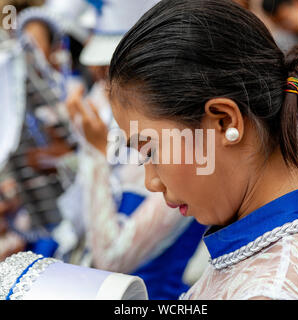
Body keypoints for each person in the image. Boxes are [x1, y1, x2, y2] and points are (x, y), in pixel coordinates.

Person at [107, 0, 298, 299]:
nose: (151, 180)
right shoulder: (275, 236)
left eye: (151, 152)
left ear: (225, 121)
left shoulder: (272, 289)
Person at [63, 0, 207, 300]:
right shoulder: (120, 131)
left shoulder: (187, 150)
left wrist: (96, 153)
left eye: (111, 70)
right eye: (101, 73)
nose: (102, 81)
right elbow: (78, 222)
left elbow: (111, 259)